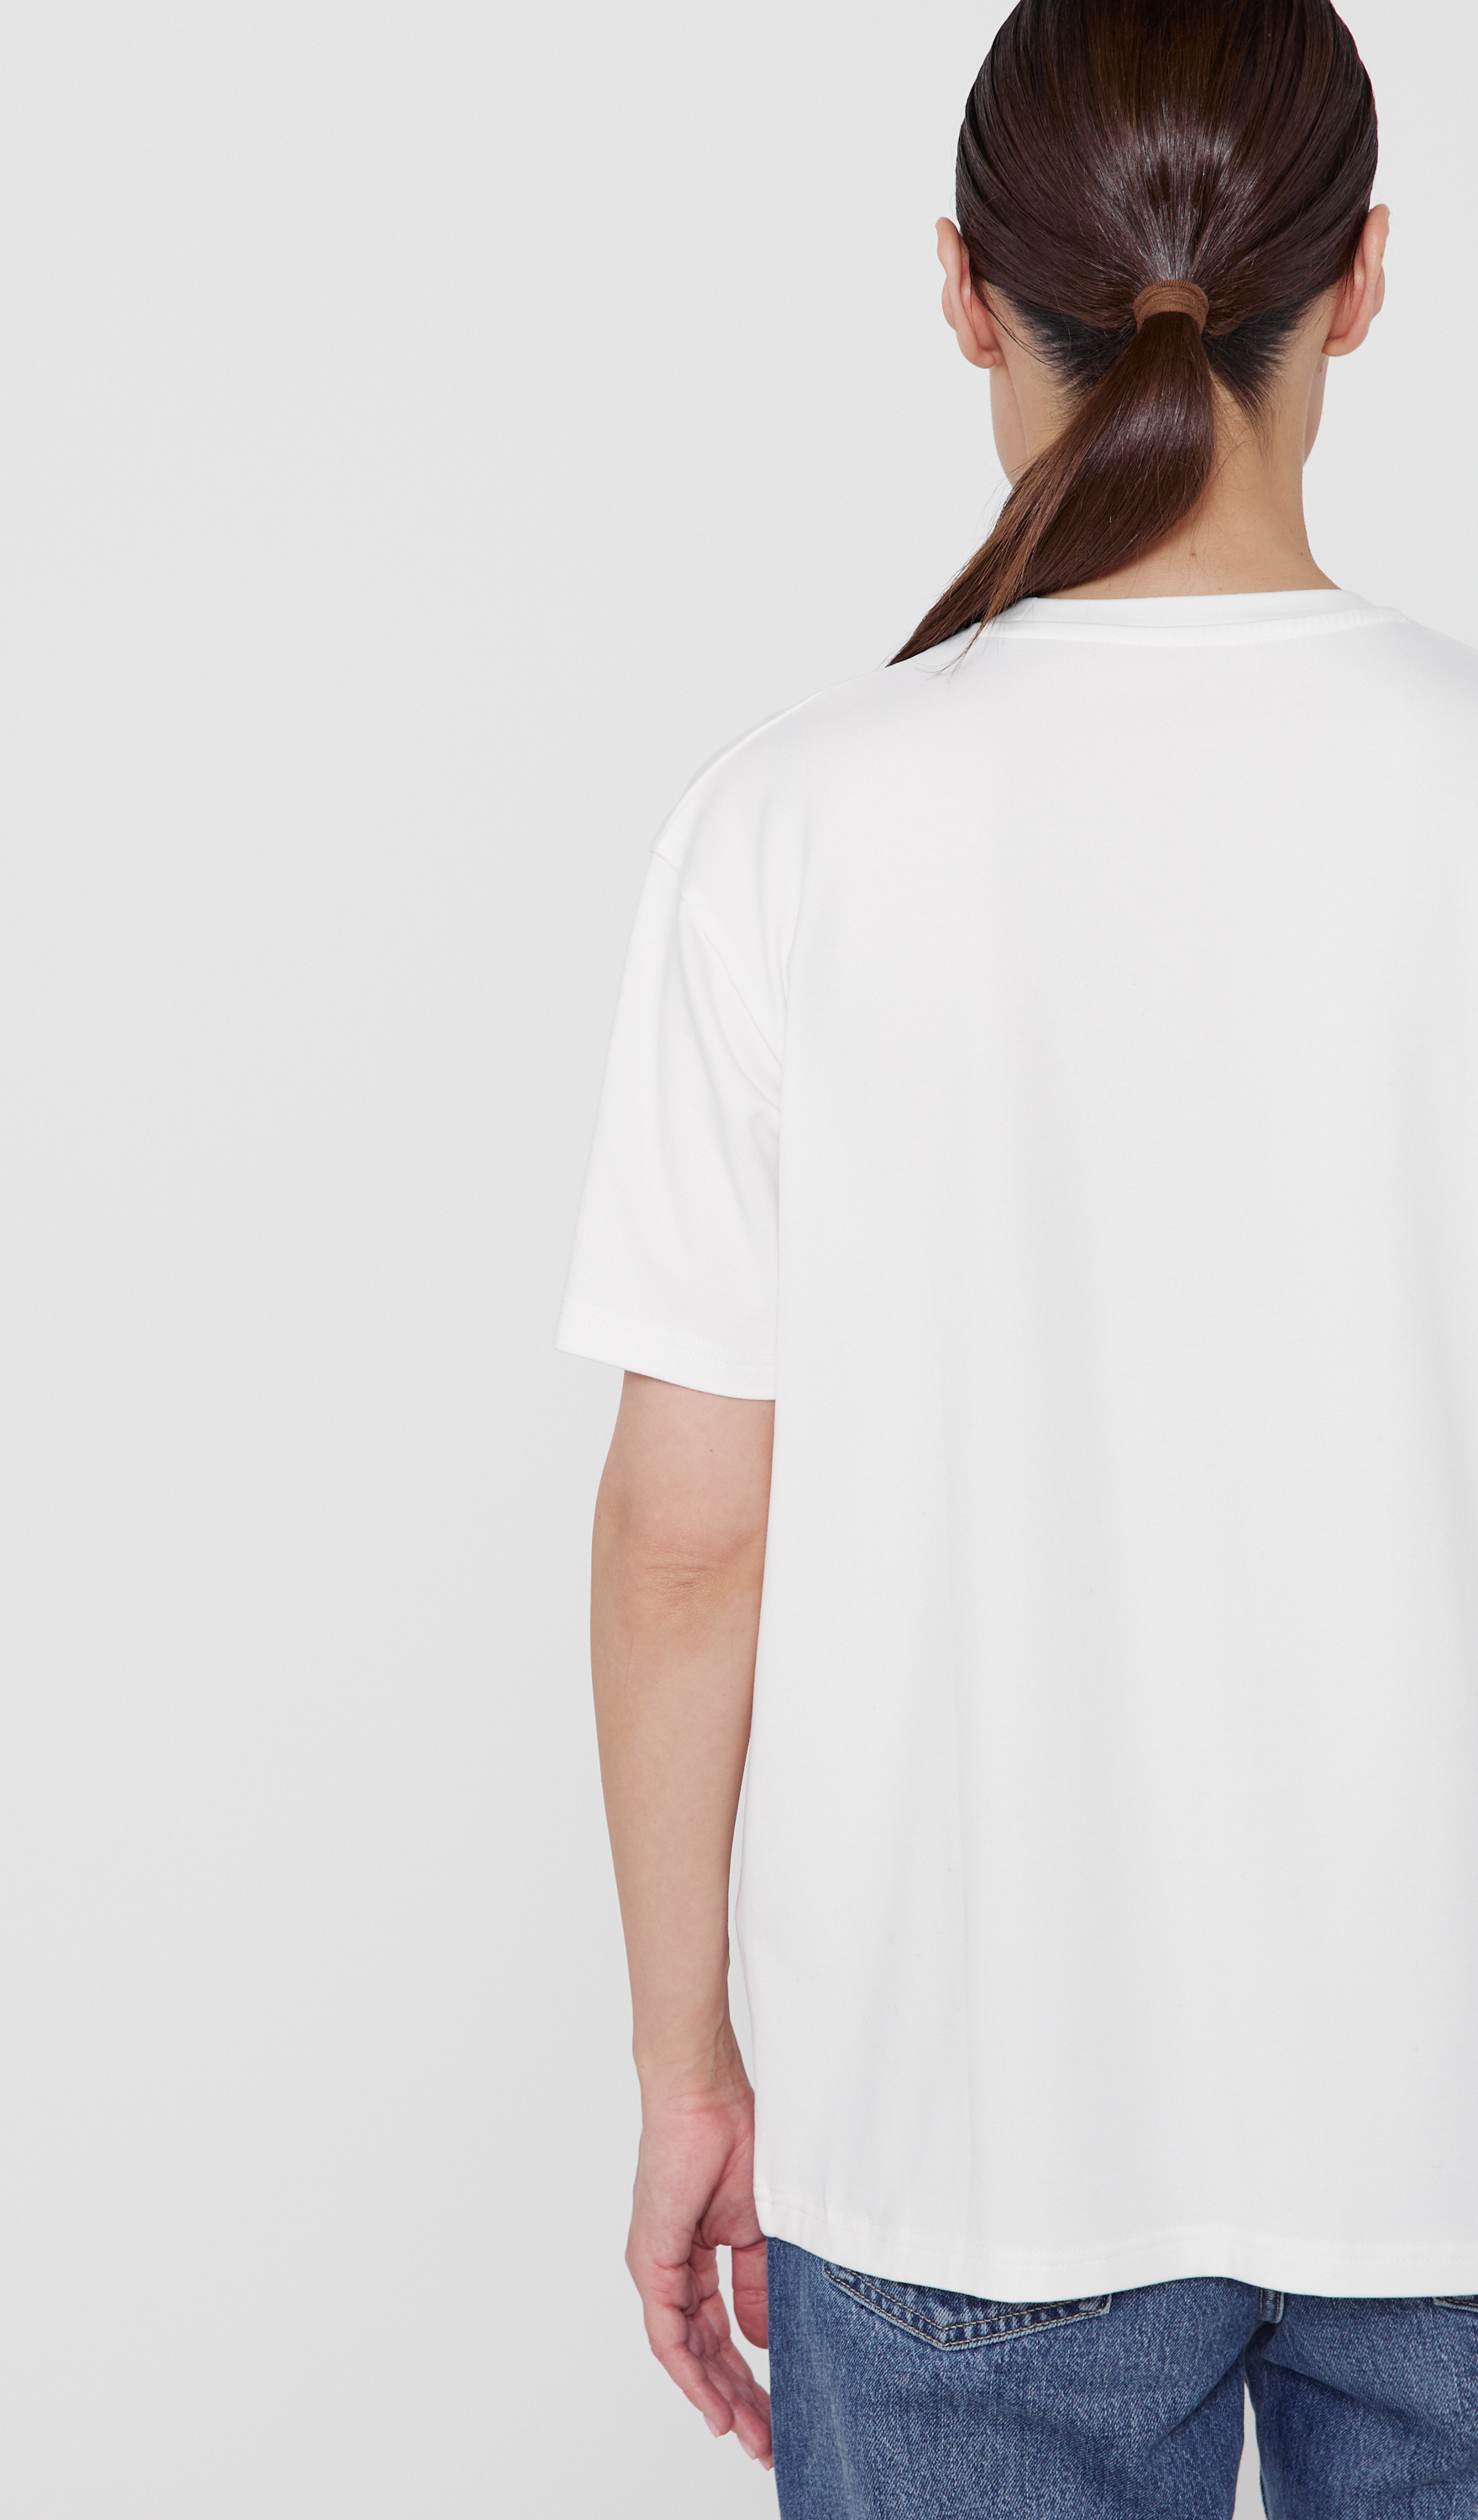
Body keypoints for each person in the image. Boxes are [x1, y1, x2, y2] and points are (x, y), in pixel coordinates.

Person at [558, 2, 1478, 2510]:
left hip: (965, 2135)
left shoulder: (784, 830)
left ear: (965, 290)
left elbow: (685, 1543)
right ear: (1364, 279)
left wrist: (684, 2066)